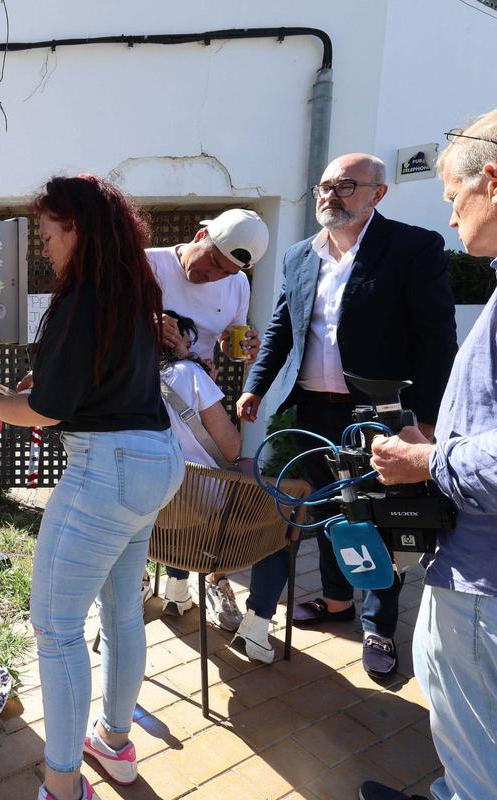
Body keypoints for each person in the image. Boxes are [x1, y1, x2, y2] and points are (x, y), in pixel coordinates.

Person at [0, 175, 184, 800]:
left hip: (109, 469)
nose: (43, 248)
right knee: (123, 612)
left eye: (47, 234)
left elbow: (46, 406)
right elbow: (80, 392)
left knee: (57, 626)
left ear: (78, 229)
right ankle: (115, 744)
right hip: (157, 459)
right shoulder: (129, 293)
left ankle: (64, 784)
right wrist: (27, 405)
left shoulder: (83, 299)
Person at [235, 153, 457, 675]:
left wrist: (421, 419)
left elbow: (436, 339)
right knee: (332, 513)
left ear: (377, 194)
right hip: (312, 410)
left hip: (379, 413)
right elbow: (280, 330)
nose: (331, 195)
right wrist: (255, 388)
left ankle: (379, 626)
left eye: (347, 185)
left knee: (377, 518)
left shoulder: (411, 248)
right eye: (325, 186)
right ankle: (336, 601)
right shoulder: (297, 256)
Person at [358, 113, 497, 800]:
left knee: (476, 742)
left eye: (451, 197)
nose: (449, 220)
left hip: (485, 577)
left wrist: (428, 463)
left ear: (491, 182)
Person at [147, 209, 269, 626]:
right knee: (229, 472)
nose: (215, 276)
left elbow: (230, 345)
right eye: (213, 262)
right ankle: (203, 574)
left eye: (228, 271)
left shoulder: (235, 284)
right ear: (200, 234)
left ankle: (182, 583)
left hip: (195, 392)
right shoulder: (149, 264)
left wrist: (244, 347)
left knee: (202, 472)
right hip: (147, 399)